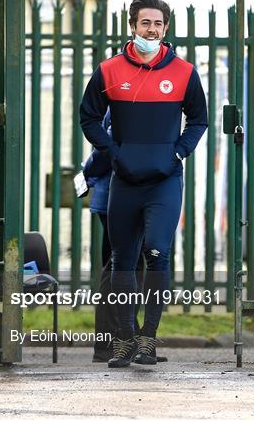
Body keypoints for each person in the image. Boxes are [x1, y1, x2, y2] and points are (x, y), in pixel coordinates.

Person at [80, 0, 208, 368]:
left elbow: (198, 120)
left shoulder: (184, 72)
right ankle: (123, 340)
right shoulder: (108, 70)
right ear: (132, 26)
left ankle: (148, 339)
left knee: (156, 252)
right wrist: (113, 152)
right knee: (122, 260)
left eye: (158, 24)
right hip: (124, 181)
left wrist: (178, 153)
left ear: (165, 29)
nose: (151, 30)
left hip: (165, 180)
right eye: (144, 23)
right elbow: (89, 117)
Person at [75, 110, 167, 363]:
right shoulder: (126, 104)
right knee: (119, 268)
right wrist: (88, 173)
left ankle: (127, 338)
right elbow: (110, 148)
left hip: (123, 194)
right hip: (117, 196)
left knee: (129, 267)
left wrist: (88, 173)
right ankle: (109, 343)